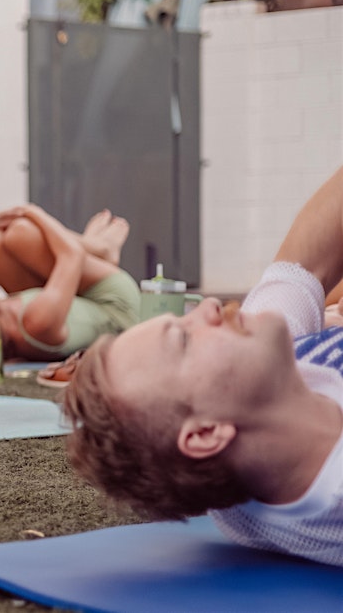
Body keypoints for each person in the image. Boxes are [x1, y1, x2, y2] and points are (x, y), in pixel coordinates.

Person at [61, 167, 343, 567]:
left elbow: (301, 269)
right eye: (184, 340)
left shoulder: (259, 401)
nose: (208, 306)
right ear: (207, 433)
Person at [0, 204, 140, 368]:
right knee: (20, 232)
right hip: (113, 303)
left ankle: (95, 249)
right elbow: (73, 255)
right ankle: (101, 249)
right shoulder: (36, 321)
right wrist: (33, 212)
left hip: (71, 300)